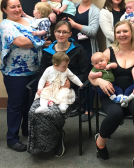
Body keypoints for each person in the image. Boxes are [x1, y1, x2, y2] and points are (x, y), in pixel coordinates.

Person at [91, 20, 134, 167]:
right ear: (115, 35)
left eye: (125, 31)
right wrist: (100, 82)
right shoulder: (108, 52)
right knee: (116, 113)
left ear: (132, 33)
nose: (122, 35)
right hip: (112, 93)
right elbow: (92, 75)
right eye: (118, 32)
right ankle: (100, 143)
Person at [28, 20, 89, 157]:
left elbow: (85, 74)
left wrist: (70, 84)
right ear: (54, 33)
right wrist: (43, 86)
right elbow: (42, 74)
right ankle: (38, 144)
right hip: (49, 90)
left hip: (67, 92)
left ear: (70, 34)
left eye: (64, 32)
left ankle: (56, 140)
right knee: (34, 111)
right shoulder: (47, 51)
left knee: (53, 112)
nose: (61, 34)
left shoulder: (78, 50)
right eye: (58, 31)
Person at [0, 0, 45, 152]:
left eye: (18, 6)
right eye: (12, 7)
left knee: (30, 104)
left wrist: (38, 37)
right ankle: (12, 138)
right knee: (16, 105)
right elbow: (21, 42)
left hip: (35, 69)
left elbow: (44, 30)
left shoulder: (30, 20)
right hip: (15, 73)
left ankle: (27, 130)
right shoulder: (5, 25)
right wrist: (41, 41)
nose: (17, 9)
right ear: (4, 9)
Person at [67, 0, 100, 121]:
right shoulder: (72, 6)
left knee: (89, 79)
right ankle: (79, 106)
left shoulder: (95, 10)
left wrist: (75, 25)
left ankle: (89, 109)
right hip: (72, 50)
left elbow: (93, 31)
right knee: (75, 78)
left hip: (87, 50)